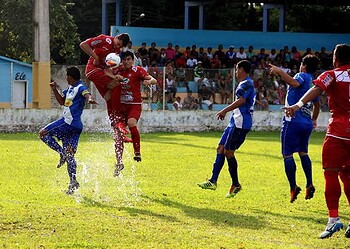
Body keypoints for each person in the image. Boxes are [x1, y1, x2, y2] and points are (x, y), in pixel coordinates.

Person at [284, 44, 350, 239]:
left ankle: (334, 219)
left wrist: (298, 104)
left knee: (331, 173)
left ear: (335, 59)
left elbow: (317, 88)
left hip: (339, 131)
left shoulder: (333, 74)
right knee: (347, 175)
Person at [197, 60, 255, 198]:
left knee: (228, 152)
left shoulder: (248, 83)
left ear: (241, 69)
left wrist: (224, 110)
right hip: (234, 121)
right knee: (220, 148)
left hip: (241, 123)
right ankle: (213, 181)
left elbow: (242, 101)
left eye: (236, 69)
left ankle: (236, 184)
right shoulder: (243, 83)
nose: (235, 72)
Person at [269, 54, 321, 203]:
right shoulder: (313, 82)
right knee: (303, 152)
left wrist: (279, 71)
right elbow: (317, 105)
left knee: (287, 155)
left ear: (303, 66)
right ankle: (309, 183)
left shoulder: (302, 75)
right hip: (306, 123)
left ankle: (293, 186)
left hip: (292, 120)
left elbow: (294, 82)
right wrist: (314, 120)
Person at [39, 67, 98, 194]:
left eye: (67, 76)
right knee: (70, 154)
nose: (66, 78)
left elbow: (86, 94)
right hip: (76, 127)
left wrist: (90, 99)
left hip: (68, 123)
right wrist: (54, 89)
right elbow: (61, 101)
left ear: (70, 76)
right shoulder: (70, 89)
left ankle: (61, 153)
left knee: (43, 133)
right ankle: (73, 182)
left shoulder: (80, 87)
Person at [108, 51, 157, 176]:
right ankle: (119, 163)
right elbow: (109, 86)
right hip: (121, 107)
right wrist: (115, 80)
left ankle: (137, 152)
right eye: (124, 60)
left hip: (134, 106)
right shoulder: (117, 71)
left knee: (131, 123)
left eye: (128, 59)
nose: (126, 62)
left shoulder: (138, 70)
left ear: (132, 60)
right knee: (117, 134)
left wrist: (148, 82)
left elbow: (154, 80)